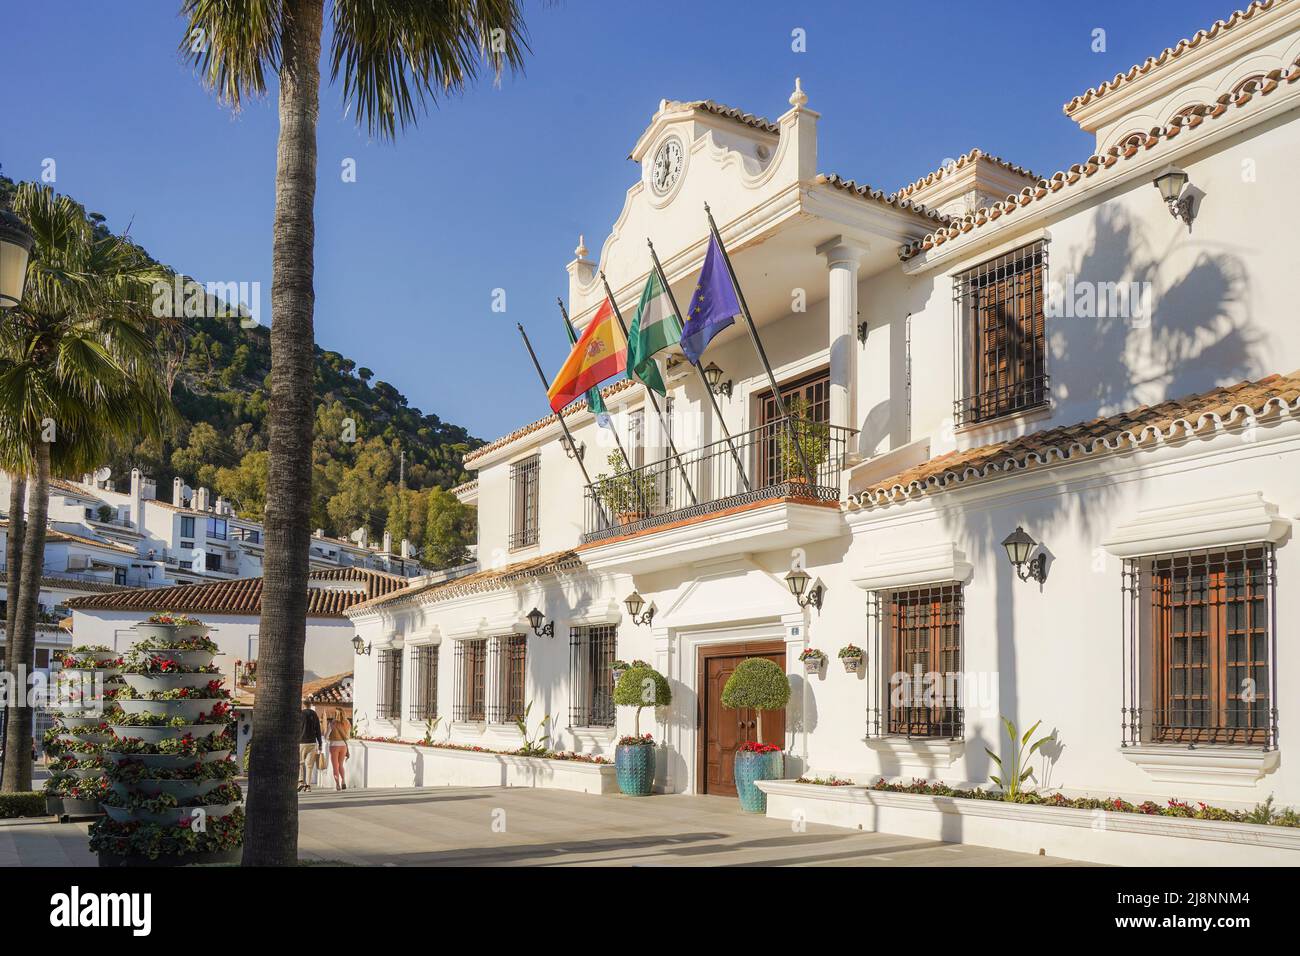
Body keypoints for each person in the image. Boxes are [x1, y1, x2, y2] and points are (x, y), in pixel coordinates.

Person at [324, 708, 351, 791]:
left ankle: (337, 785)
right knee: (341, 765)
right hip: (343, 746)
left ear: (336, 714)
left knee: (335, 766)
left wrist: (329, 739)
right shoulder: (347, 723)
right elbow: (348, 737)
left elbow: (326, 736)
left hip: (334, 746)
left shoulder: (332, 723)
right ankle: (343, 781)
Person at [298, 702, 323, 793]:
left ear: (303, 705)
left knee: (300, 762)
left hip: (301, 742)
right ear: (310, 705)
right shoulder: (314, 714)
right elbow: (318, 730)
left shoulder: (300, 714)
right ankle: (308, 786)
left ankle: (301, 781)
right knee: (309, 765)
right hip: (312, 742)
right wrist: (320, 743)